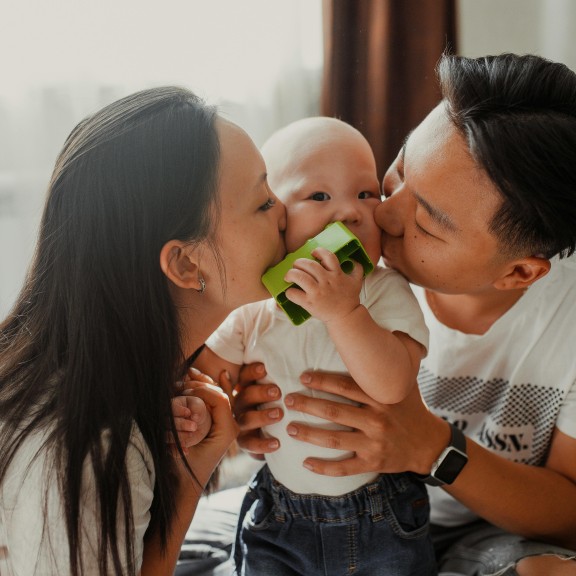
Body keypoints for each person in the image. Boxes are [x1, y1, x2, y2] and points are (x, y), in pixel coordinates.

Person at [190, 53, 576, 576]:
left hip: (483, 534)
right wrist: (245, 416)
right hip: (301, 511)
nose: (379, 214)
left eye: (429, 222)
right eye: (395, 177)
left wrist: (432, 447)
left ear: (519, 273)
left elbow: (570, 514)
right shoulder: (323, 272)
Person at [0, 86, 286, 576]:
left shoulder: (109, 375)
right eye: (263, 203)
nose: (288, 212)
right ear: (184, 262)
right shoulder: (94, 449)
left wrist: (198, 458)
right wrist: (189, 479)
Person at [187, 116, 432, 575]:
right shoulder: (256, 305)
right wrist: (207, 408)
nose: (350, 212)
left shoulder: (381, 291)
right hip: (281, 513)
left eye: (365, 193)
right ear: (276, 216)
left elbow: (394, 382)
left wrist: (344, 312)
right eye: (319, 196)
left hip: (379, 512)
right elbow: (210, 375)